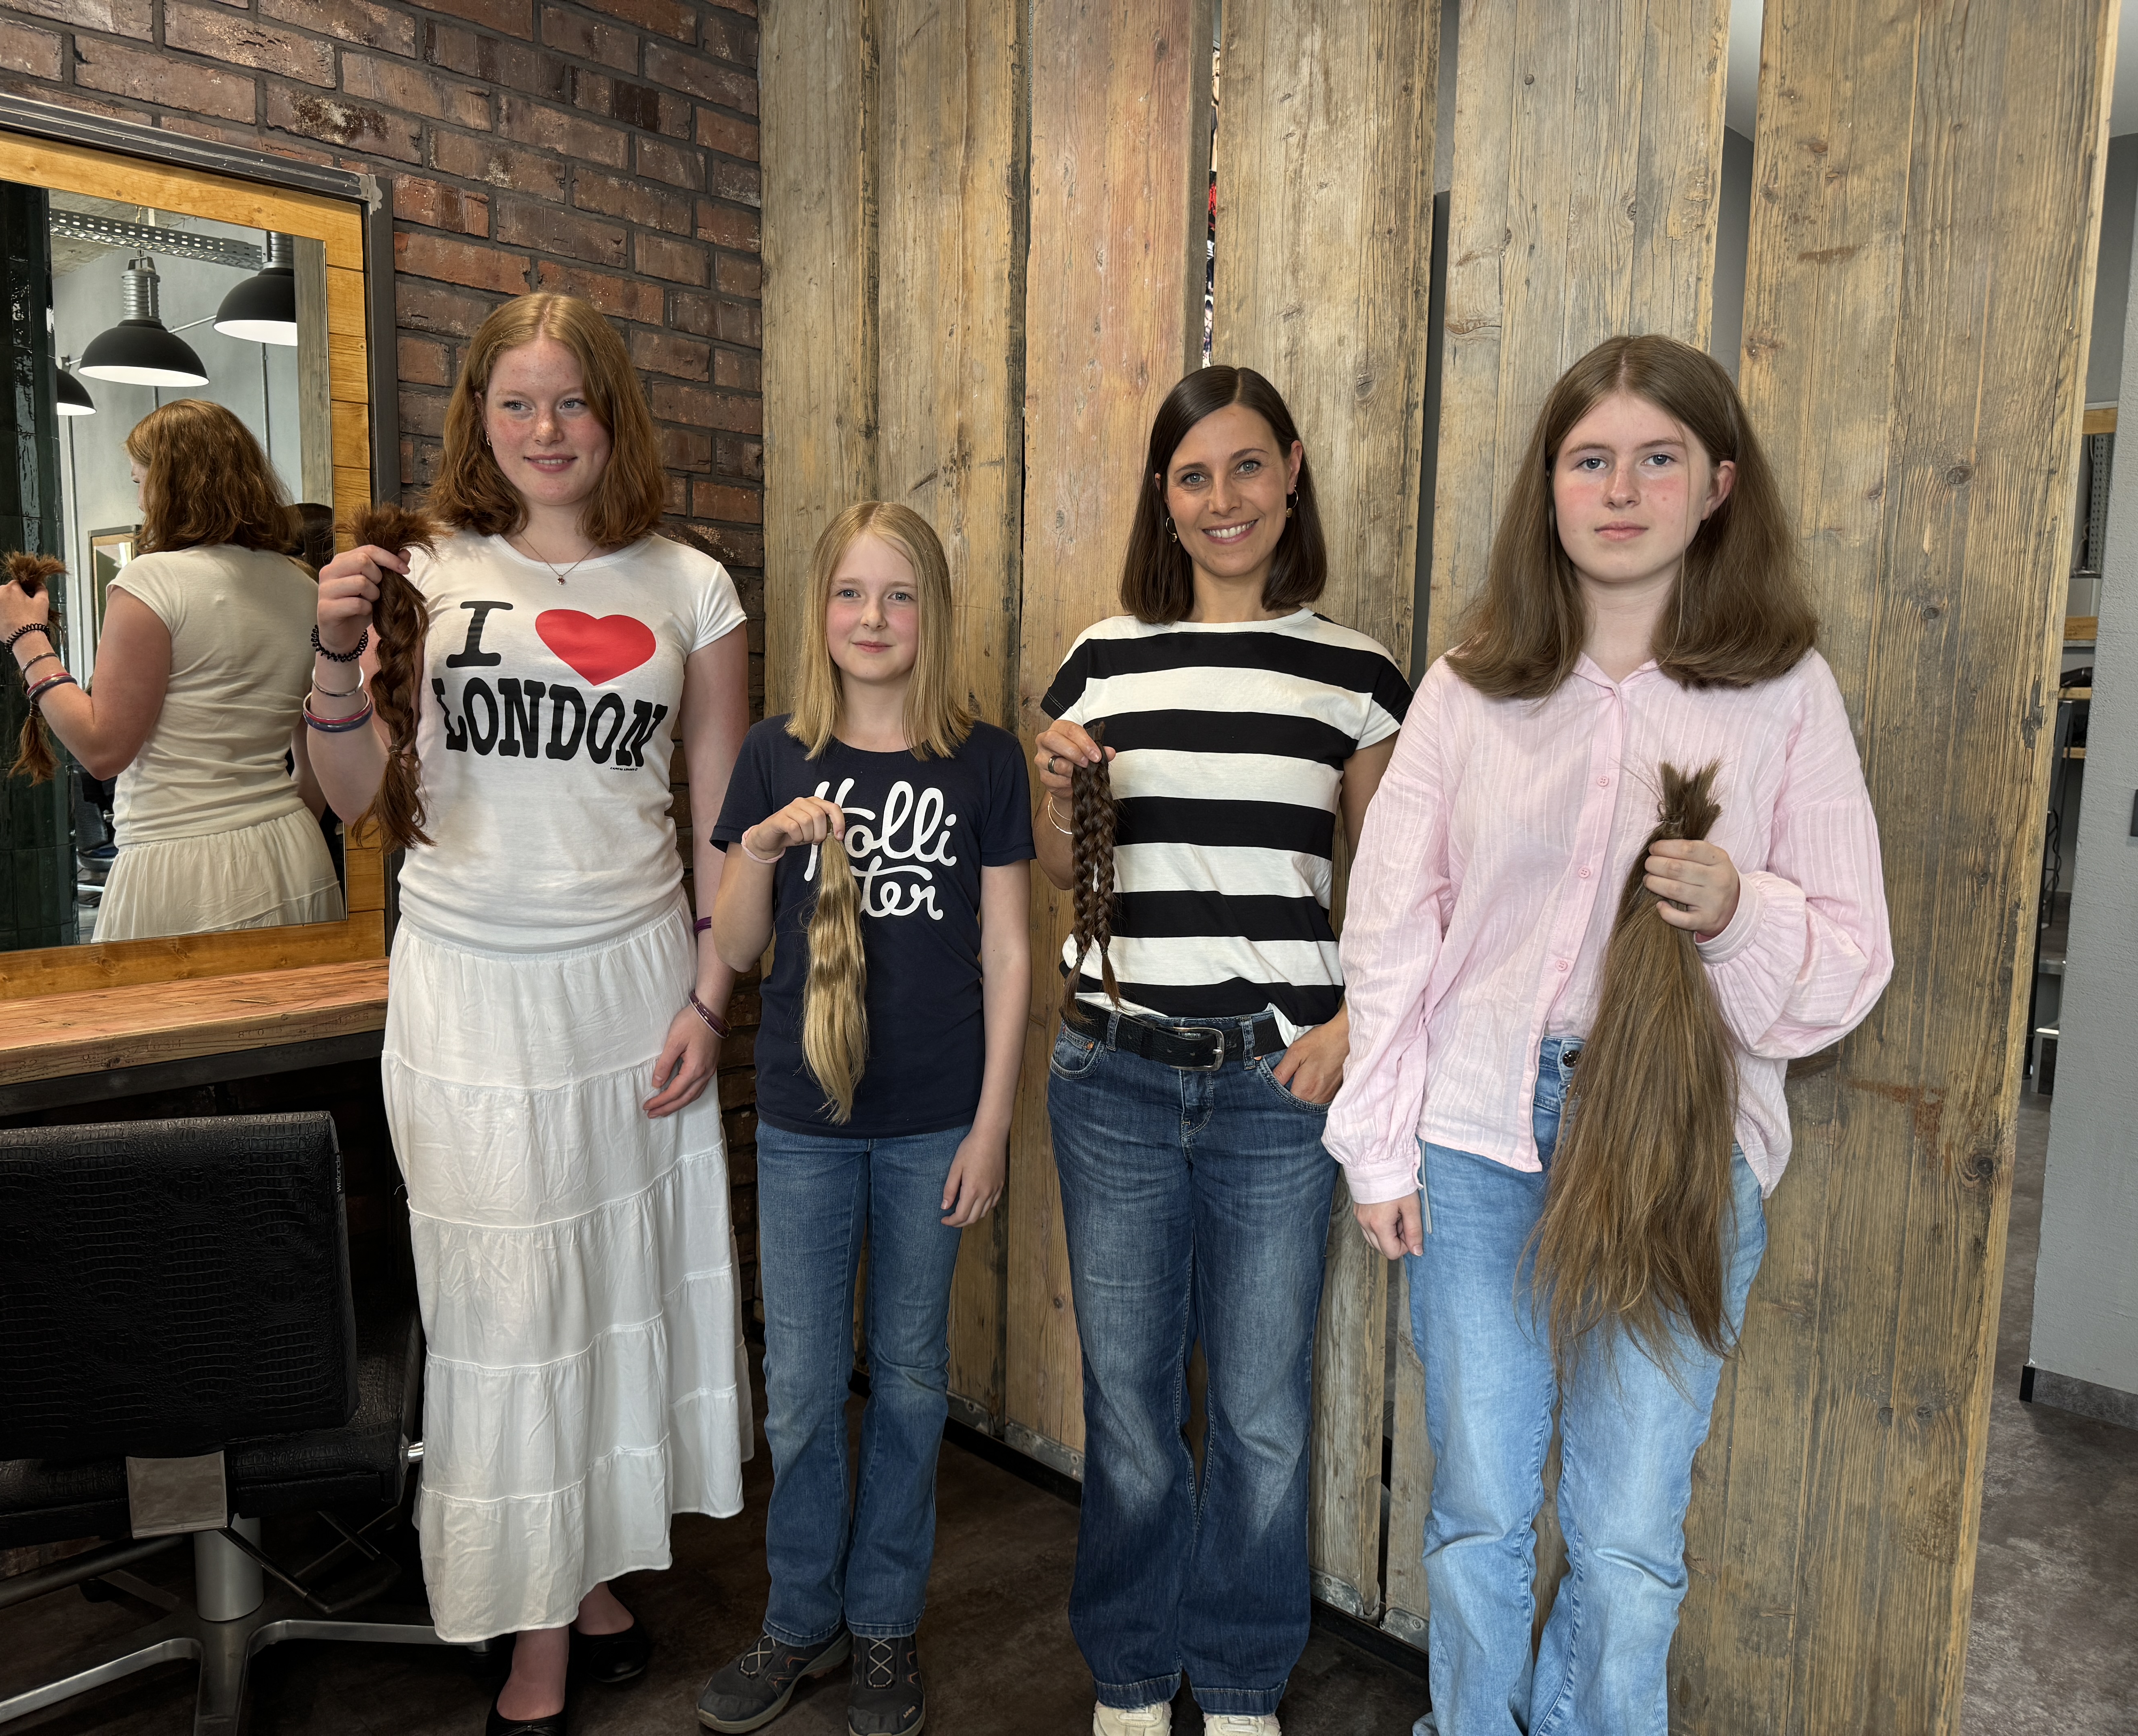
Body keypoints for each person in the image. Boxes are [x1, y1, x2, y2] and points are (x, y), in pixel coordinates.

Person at [1327, 334, 1893, 1735]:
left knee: (1630, 1543)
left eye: (1656, 459)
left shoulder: (1784, 695)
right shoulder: (1469, 688)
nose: (1621, 490)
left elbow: (1850, 960)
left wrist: (1740, 913)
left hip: (1678, 1153)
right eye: (1590, 460)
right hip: (1476, 1138)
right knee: (1475, 1510)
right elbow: (1393, 926)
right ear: (1550, 484)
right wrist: (1378, 1146)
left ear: (1717, 484)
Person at [304, 290, 752, 1736]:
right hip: (467, 992)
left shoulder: (691, 586)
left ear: (612, 415)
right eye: (516, 402)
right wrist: (331, 655)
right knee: (506, 1310)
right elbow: (356, 798)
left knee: (607, 1297)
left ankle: (581, 1586)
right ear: (478, 417)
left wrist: (711, 996)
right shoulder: (425, 570)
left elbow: (723, 821)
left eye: (571, 400)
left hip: (629, 986)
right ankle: (541, 1626)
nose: (545, 428)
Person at [1032, 367, 1411, 1736]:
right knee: (1130, 1404)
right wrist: (1057, 792)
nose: (1223, 499)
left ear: (1292, 471)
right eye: (1193, 476)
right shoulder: (1102, 658)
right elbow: (1069, 867)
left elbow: (1402, 887)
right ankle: (1133, 1670)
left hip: (1273, 1088)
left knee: (1259, 1410)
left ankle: (1244, 1674)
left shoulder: (1357, 673)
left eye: (1247, 466)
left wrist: (1352, 1028)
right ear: (1164, 498)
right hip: (1114, 1074)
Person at [698, 502, 1034, 1736]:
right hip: (803, 1122)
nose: (874, 618)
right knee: (798, 1390)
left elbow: (1010, 954)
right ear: (821, 612)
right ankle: (801, 1618)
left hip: (935, 1120)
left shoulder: (983, 761)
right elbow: (737, 948)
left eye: (899, 595)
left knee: (907, 1383)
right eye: (851, 593)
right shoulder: (775, 754)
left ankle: (884, 1621)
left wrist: (991, 1126)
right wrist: (761, 848)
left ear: (931, 613)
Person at [0, 399, 344, 942]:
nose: (140, 499)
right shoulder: (302, 585)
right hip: (295, 847)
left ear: (169, 483)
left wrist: (26, 638)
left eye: (139, 481)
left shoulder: (152, 580)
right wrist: (268, 835)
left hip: (184, 863)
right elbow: (312, 768)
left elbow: (103, 751)